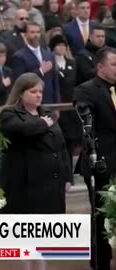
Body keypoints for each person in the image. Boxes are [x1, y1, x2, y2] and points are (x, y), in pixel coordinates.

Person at [0, 73, 72, 270]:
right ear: (21, 93)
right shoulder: (9, 114)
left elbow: (61, 147)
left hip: (50, 183)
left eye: (40, 91)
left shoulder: (46, 113)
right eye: (33, 92)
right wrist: (42, 124)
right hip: (26, 186)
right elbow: (20, 130)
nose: (39, 95)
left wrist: (67, 176)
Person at [73, 47, 115, 270]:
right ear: (100, 67)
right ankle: (101, 262)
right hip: (102, 162)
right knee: (101, 217)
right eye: (114, 64)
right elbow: (87, 124)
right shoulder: (86, 90)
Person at [49, 35, 82, 186]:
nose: (61, 48)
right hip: (57, 107)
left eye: (64, 45)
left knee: (70, 142)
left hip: (70, 107)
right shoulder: (50, 64)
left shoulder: (72, 63)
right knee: (59, 141)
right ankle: (63, 175)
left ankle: (70, 176)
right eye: (58, 45)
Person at [12, 22, 60, 105]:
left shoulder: (49, 54)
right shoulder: (19, 56)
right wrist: (40, 71)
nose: (36, 35)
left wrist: (57, 103)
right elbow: (20, 81)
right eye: (32, 32)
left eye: (38, 32)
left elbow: (55, 80)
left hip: (49, 102)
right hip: (29, 103)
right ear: (25, 35)